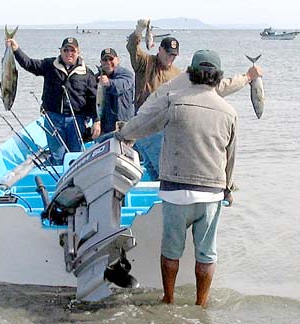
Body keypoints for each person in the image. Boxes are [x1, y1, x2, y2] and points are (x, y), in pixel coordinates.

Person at [115, 49, 238, 306]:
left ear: (190, 74)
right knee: (206, 254)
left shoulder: (173, 100)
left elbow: (143, 126)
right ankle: (201, 304)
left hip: (176, 191)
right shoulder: (229, 112)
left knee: (171, 251)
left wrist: (122, 134)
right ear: (218, 77)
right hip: (212, 193)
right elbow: (230, 157)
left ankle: (168, 299)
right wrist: (227, 189)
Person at [127, 18, 262, 180]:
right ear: (160, 50)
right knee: (161, 172)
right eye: (168, 53)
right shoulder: (146, 63)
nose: (171, 58)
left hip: (161, 128)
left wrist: (247, 78)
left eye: (174, 55)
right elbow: (132, 48)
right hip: (147, 125)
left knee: (155, 172)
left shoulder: (178, 74)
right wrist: (139, 30)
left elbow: (220, 87)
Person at [6, 36, 98, 164]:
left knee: (76, 156)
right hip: (54, 119)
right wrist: (16, 49)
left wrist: (96, 121)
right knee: (58, 156)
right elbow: (29, 64)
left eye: (72, 51)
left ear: (78, 52)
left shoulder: (87, 73)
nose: (69, 54)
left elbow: (93, 100)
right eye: (66, 50)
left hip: (76, 121)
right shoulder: (50, 65)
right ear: (61, 51)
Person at [92, 48, 135, 137]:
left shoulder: (127, 75)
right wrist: (96, 120)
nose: (108, 62)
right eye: (105, 60)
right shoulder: (95, 79)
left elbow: (121, 86)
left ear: (117, 60)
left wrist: (109, 83)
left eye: (111, 59)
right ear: (101, 62)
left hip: (124, 125)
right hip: (105, 127)